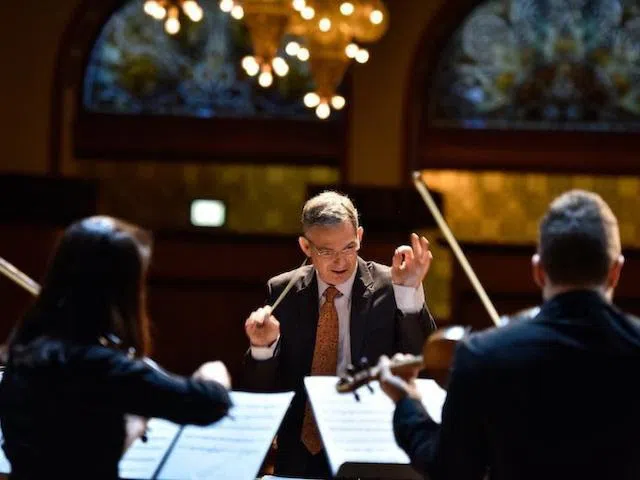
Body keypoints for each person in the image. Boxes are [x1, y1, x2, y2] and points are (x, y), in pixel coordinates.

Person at [379, 189, 640, 480]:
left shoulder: (483, 355)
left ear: (538, 271)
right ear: (616, 271)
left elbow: (448, 468)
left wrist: (406, 402)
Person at [0, 216, 233, 480]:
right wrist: (214, 376)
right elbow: (209, 403)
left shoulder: (23, 351)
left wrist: (126, 428)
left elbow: (65, 455)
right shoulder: (101, 366)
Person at [244, 191, 437, 477]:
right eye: (326, 251)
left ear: (359, 235)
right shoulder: (282, 291)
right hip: (300, 452)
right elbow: (260, 392)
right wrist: (263, 348)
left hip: (371, 447)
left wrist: (408, 293)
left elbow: (424, 363)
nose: (341, 261)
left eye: (349, 247)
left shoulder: (390, 284)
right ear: (305, 247)